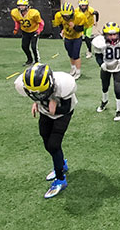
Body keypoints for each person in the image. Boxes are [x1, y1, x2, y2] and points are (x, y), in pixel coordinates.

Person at [14, 63, 78, 198]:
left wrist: (55, 106)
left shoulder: (64, 84)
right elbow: (36, 93)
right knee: (45, 138)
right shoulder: (25, 85)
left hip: (62, 115)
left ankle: (61, 179)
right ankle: (61, 164)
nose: (39, 95)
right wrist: (36, 102)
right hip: (44, 112)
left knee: (54, 145)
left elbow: (66, 108)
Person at [93, 22, 120, 121]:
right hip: (106, 67)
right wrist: (101, 64)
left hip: (118, 68)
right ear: (104, 35)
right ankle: (104, 101)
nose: (113, 37)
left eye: (114, 34)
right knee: (105, 86)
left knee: (118, 90)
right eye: (110, 35)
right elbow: (98, 55)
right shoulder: (100, 42)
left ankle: (119, 110)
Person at [53, 3, 92, 79]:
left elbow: (81, 29)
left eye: (68, 15)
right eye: (64, 15)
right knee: (70, 54)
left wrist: (74, 26)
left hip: (77, 37)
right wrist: (62, 30)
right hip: (67, 37)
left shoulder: (79, 16)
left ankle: (78, 71)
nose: (66, 17)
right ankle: (73, 68)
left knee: (76, 54)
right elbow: (60, 24)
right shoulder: (59, 16)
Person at [11, 0, 44, 66]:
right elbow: (17, 21)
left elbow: (41, 22)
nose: (21, 7)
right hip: (25, 31)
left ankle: (37, 61)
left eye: (23, 5)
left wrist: (39, 30)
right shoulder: (15, 13)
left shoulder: (33, 13)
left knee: (33, 47)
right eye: (19, 5)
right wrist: (16, 29)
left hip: (34, 31)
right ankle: (30, 60)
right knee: (24, 46)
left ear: (27, 6)